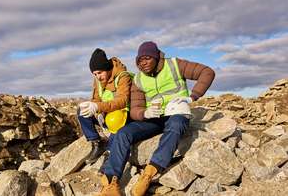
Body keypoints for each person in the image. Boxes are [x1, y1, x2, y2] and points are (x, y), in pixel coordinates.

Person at [95, 41, 215, 196]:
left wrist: (192, 97)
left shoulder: (175, 65)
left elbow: (207, 72)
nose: (143, 63)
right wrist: (144, 114)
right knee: (122, 133)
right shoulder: (137, 79)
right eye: (140, 60)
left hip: (176, 113)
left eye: (147, 58)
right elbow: (135, 109)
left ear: (157, 56)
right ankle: (110, 182)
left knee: (176, 124)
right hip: (154, 118)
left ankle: (148, 175)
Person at [77, 48, 133, 176]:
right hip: (106, 113)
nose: (98, 76)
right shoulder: (97, 80)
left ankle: (109, 155)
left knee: (115, 120)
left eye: (100, 72)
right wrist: (97, 113)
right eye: (95, 74)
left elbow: (123, 101)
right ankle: (97, 143)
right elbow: (96, 99)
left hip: (122, 114)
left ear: (108, 69)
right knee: (82, 111)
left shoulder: (123, 76)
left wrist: (99, 108)